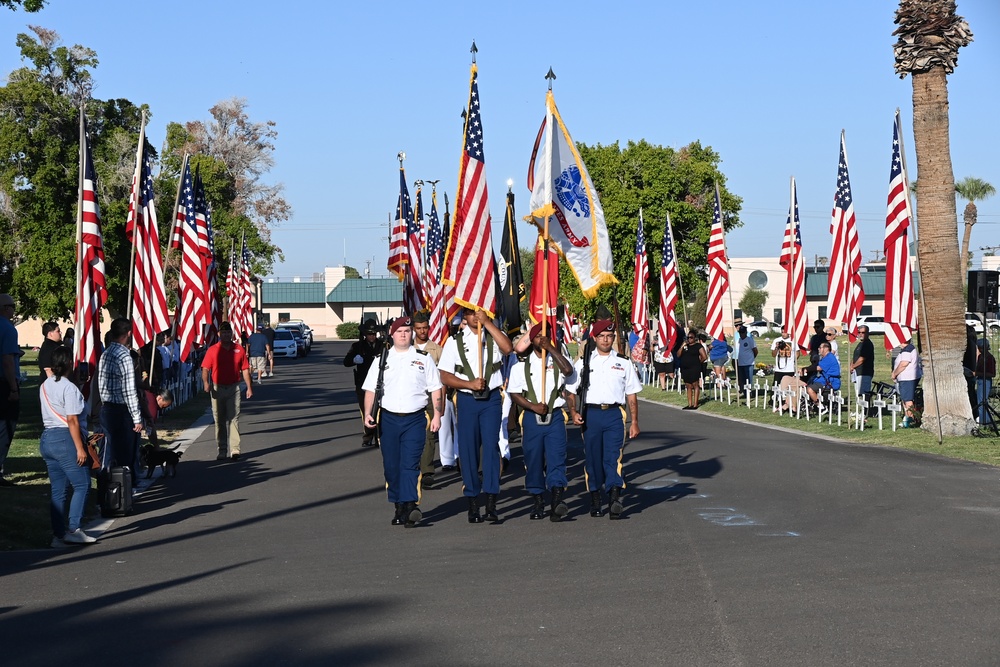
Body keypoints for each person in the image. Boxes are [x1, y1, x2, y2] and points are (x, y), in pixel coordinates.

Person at [362, 316, 443, 528]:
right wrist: (368, 413)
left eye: (407, 331)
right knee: (391, 465)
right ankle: (398, 504)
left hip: (415, 418)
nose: (404, 335)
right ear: (392, 333)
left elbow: (436, 388)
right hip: (388, 418)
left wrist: (437, 415)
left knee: (410, 464)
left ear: (412, 333)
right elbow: (370, 389)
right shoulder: (382, 359)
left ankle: (410, 506)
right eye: (399, 331)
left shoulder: (424, 358)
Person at [438, 308, 513, 523]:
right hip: (467, 399)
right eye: (470, 313)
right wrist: (468, 384)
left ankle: (491, 501)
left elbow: (508, 349)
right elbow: (445, 375)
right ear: (464, 317)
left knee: (490, 448)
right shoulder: (455, 341)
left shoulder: (493, 335)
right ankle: (472, 500)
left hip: (491, 400)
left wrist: (488, 323)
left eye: (478, 313)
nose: (474, 317)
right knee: (468, 450)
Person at [566, 319, 642, 520]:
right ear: (595, 338)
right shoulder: (583, 363)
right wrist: (573, 412)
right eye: (602, 336)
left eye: (609, 336)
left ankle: (615, 497)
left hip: (614, 415)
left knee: (613, 457)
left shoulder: (623, 362)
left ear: (614, 338)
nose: (606, 340)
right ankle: (595, 498)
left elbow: (632, 395)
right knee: (592, 459)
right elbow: (570, 391)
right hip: (591, 415)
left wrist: (634, 422)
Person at [507, 322, 576, 521]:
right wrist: (531, 406)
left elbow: (569, 371)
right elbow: (514, 393)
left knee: (556, 458)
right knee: (533, 459)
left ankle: (556, 501)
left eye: (546, 336)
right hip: (532, 417)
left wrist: (551, 349)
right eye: (538, 337)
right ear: (532, 341)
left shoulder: (557, 360)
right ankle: (538, 500)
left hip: (554, 416)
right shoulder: (521, 366)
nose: (542, 340)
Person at [40, 347, 97, 547]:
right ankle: (74, 529)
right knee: (82, 484)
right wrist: (80, 448)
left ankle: (58, 534)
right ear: (68, 364)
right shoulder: (69, 388)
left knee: (58, 490)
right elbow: (72, 420)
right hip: (66, 438)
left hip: (48, 438)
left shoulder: (45, 385)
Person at [98, 318, 143, 480]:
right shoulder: (124, 356)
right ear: (128, 333)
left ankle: (107, 491)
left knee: (109, 452)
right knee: (125, 455)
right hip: (121, 410)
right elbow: (129, 390)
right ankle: (123, 493)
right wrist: (137, 418)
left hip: (106, 407)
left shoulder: (106, 353)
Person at [201, 321, 253, 460]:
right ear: (219, 334)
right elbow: (205, 368)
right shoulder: (213, 350)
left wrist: (249, 387)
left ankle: (235, 449)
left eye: (228, 332)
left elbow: (245, 369)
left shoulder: (239, 349)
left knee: (234, 418)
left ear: (231, 333)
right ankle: (222, 450)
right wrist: (206, 383)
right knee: (219, 420)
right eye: (223, 332)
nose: (226, 335)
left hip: (234, 388)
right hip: (217, 389)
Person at [412, 310, 443, 489]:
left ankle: (428, 471)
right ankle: (415, 466)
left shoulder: (437, 350)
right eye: (419, 328)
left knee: (429, 434)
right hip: (413, 396)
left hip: (431, 397)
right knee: (414, 434)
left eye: (424, 328)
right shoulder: (408, 349)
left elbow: (444, 375)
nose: (422, 331)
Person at [344, 319, 383, 447]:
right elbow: (346, 362)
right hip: (363, 383)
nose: (372, 336)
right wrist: (355, 360)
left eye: (373, 334)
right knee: (366, 410)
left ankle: (379, 436)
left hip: (380, 382)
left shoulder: (383, 345)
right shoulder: (357, 346)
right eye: (369, 334)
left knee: (379, 411)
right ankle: (368, 435)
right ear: (365, 334)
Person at [0, 294, 19, 486]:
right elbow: (7, 361)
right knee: (6, 427)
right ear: (6, 308)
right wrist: (13, 388)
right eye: (12, 306)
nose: (14, 310)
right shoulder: (8, 328)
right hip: (4, 383)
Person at [890, 337, 920, 427]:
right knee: (905, 399)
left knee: (908, 400)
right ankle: (907, 417)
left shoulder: (908, 349)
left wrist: (894, 373)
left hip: (908, 378)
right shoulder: (905, 349)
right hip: (904, 378)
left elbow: (904, 364)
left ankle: (910, 420)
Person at [678, 330, 708, 409]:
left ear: (695, 338)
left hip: (694, 368)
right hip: (685, 369)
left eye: (691, 337)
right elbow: (678, 355)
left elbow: (704, 357)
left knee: (695, 385)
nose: (689, 339)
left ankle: (695, 404)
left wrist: (698, 363)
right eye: (688, 337)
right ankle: (690, 404)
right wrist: (682, 346)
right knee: (688, 385)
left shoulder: (698, 346)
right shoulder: (685, 346)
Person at [807, 342, 841, 408]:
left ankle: (820, 406)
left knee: (810, 389)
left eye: (820, 347)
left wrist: (806, 369)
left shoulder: (830, 357)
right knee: (806, 384)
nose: (818, 349)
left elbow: (819, 368)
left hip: (830, 382)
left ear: (826, 349)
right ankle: (813, 403)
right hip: (823, 380)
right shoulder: (825, 357)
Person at [849, 325, 875, 400]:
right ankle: (860, 411)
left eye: (863, 332)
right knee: (858, 393)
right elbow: (855, 357)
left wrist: (853, 366)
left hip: (864, 372)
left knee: (863, 394)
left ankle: (865, 411)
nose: (861, 334)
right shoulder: (860, 343)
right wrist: (851, 365)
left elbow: (862, 358)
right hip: (857, 372)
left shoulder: (867, 344)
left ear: (867, 333)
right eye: (859, 332)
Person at [974, 339, 996, 425]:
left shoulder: (990, 358)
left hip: (985, 381)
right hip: (979, 380)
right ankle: (984, 421)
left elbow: (992, 373)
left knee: (983, 402)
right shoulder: (980, 357)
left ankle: (986, 422)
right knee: (980, 402)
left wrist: (977, 373)